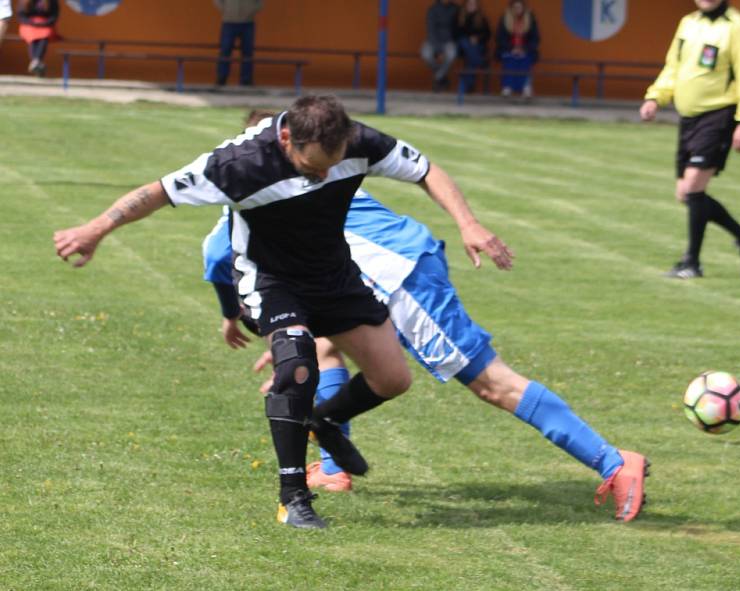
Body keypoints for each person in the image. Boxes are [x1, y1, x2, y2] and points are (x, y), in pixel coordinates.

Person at [53, 94, 514, 530]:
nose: (321, 177)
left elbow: (425, 170)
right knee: (297, 366)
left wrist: (468, 222)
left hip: (335, 275)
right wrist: (96, 228)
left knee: (393, 379)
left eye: (331, 168)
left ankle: (324, 420)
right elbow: (156, 192)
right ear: (288, 139)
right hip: (271, 280)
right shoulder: (237, 165)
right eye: (313, 167)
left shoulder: (358, 141)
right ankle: (293, 498)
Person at [205, 187, 650, 521]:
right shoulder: (320, 170)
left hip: (399, 277)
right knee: (324, 348)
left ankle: (613, 461)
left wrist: (232, 317)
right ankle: (334, 467)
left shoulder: (241, 212)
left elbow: (216, 261)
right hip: (388, 268)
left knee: (491, 383)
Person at [640, 0, 740, 279]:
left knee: (694, 187)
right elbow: (673, 67)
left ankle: (691, 263)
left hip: (719, 116)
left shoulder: (736, 27)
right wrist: (655, 96)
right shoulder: (689, 23)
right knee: (686, 194)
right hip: (688, 119)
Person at [495, 0, 539, 98]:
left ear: (523, 8)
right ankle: (507, 87)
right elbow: (499, 38)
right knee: (510, 59)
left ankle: (526, 87)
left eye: (519, 7)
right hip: (508, 49)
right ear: (511, 9)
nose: (517, 9)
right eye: (515, 7)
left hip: (526, 50)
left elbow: (535, 39)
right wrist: (512, 48)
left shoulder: (531, 20)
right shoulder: (504, 19)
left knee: (525, 59)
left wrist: (524, 49)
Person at [213, 0, 263, 87]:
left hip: (248, 22)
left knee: (248, 52)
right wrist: (226, 11)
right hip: (228, 22)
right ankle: (222, 78)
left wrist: (251, 11)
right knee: (225, 50)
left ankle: (246, 79)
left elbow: (260, 2)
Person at [420, 0, 459, 92]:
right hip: (433, 40)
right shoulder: (432, 9)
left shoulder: (456, 9)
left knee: (452, 54)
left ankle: (438, 77)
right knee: (425, 54)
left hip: (449, 41)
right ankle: (443, 77)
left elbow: (458, 29)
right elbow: (431, 31)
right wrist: (439, 50)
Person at [455, 0, 490, 94]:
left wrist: (477, 38)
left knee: (471, 58)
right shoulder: (459, 17)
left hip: (477, 46)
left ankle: (469, 86)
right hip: (462, 46)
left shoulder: (482, 18)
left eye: (474, 4)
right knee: (465, 43)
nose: (471, 6)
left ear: (477, 6)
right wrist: (468, 38)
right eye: (469, 4)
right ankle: (481, 62)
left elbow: (487, 34)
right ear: (465, 5)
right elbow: (455, 33)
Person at [17, 0, 59, 77]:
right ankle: (37, 62)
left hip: (45, 25)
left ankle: (35, 62)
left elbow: (54, 16)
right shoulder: (24, 1)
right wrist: (32, 23)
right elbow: (21, 16)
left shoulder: (52, 1)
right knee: (32, 36)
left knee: (45, 34)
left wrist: (44, 23)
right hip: (28, 25)